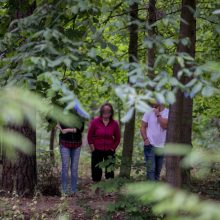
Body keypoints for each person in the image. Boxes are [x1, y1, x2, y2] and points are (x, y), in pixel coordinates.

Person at [57, 100, 89, 196]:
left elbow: (81, 128)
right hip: (64, 143)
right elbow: (51, 118)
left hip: (77, 144)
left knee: (74, 168)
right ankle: (64, 190)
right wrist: (57, 125)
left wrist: (68, 130)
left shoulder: (80, 115)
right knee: (65, 167)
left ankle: (74, 190)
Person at [87, 103, 120, 182]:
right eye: (104, 110)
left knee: (109, 171)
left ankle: (108, 188)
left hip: (109, 150)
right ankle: (96, 187)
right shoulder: (95, 121)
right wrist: (92, 148)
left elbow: (118, 138)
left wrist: (113, 148)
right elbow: (89, 136)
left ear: (111, 112)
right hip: (97, 149)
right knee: (96, 170)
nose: (106, 112)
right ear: (101, 111)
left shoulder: (114, 123)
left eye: (108, 111)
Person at [140, 102, 169, 181]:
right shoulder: (148, 111)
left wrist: (158, 114)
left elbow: (165, 125)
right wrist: (145, 139)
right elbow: (143, 127)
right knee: (151, 170)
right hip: (150, 146)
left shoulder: (168, 112)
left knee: (157, 172)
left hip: (162, 146)